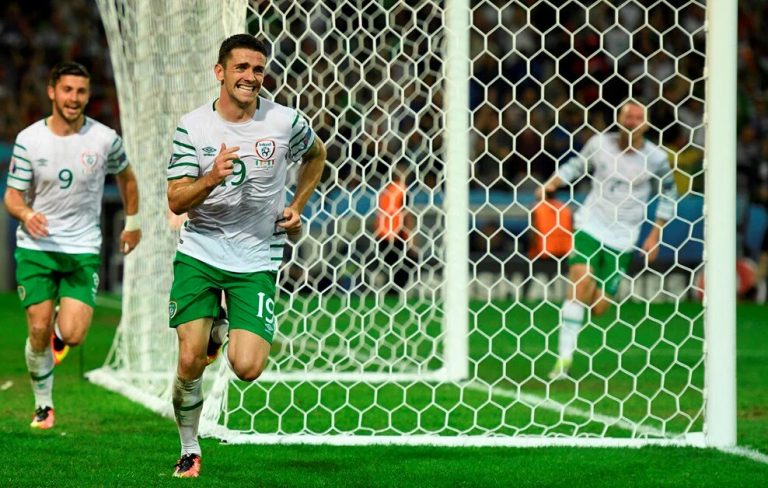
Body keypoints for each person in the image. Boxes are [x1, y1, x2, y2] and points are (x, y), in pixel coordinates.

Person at [166, 34, 326, 478]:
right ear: (220, 72)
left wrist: (298, 205)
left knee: (249, 367)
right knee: (189, 360)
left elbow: (317, 155)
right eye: (241, 68)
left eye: (258, 69)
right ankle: (189, 449)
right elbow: (176, 200)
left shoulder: (284, 121)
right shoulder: (193, 127)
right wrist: (210, 178)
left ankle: (219, 333)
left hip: (256, 256)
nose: (251, 77)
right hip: (200, 251)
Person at [3, 61, 141, 429]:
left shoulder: (105, 139)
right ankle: (43, 405)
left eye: (81, 91)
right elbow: (12, 196)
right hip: (37, 248)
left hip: (82, 248)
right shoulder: (30, 140)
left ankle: (56, 341)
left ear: (88, 95)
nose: (74, 98)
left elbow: (127, 178)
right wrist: (26, 213)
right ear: (52, 91)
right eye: (67, 90)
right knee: (38, 330)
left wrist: (133, 223)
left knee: (74, 334)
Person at [536, 100, 677, 380]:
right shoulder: (599, 143)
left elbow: (669, 194)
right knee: (580, 281)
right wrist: (552, 182)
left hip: (624, 235)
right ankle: (564, 359)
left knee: (599, 307)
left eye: (638, 117)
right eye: (627, 116)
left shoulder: (656, 158)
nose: (632, 122)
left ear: (647, 124)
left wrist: (655, 235)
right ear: (619, 119)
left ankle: (581, 308)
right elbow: (576, 166)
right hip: (591, 223)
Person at [374, 161, 416, 292]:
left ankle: (390, 291)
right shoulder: (402, 190)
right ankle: (395, 292)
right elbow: (407, 215)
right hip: (397, 235)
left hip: (383, 235)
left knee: (391, 267)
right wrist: (411, 239)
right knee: (405, 266)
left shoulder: (386, 190)